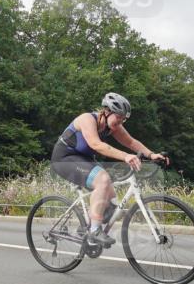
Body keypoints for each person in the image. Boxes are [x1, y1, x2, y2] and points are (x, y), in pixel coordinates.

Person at [50, 92, 168, 248]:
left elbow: (131, 142)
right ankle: (94, 231)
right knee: (103, 180)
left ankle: (85, 228)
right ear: (106, 111)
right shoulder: (87, 119)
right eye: (118, 116)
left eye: (123, 119)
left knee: (111, 201)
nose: (120, 121)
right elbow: (96, 145)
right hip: (64, 159)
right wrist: (125, 156)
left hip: (84, 159)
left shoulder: (113, 127)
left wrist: (151, 155)